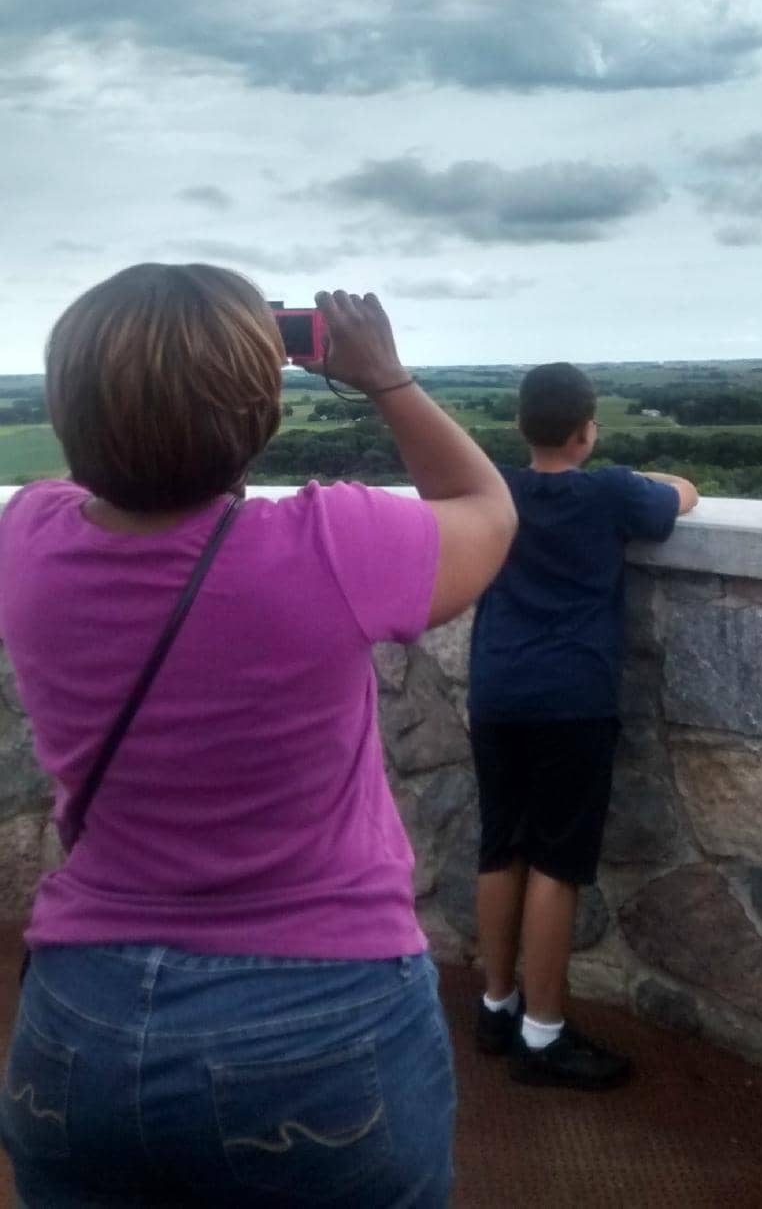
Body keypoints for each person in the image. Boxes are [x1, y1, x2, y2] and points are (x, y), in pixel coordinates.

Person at [0, 264, 517, 1208]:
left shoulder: (28, 536)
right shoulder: (331, 542)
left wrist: (142, 381)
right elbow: (487, 510)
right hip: (318, 1023)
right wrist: (385, 378)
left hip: (82, 1020)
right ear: (259, 408)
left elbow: (103, 481)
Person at [468, 362, 698, 1088]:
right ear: (586, 430)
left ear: (521, 426)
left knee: (498, 846)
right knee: (557, 865)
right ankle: (543, 1036)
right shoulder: (608, 492)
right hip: (571, 698)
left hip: (498, 691)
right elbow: (681, 500)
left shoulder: (496, 487)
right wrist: (659, 477)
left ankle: (495, 1006)